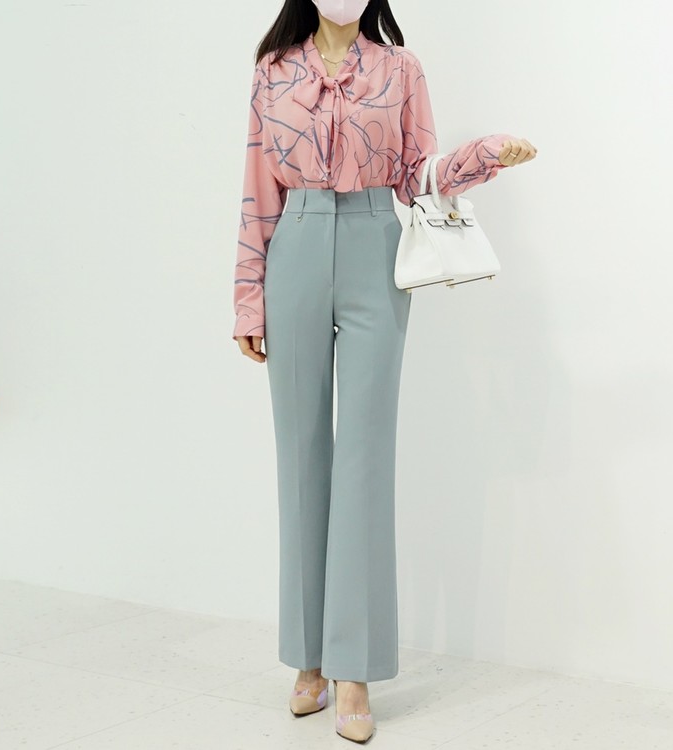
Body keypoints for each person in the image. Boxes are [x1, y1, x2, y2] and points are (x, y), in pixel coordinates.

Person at [232, 0, 537, 742]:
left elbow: (417, 176)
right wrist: (248, 299)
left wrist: (485, 154)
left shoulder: (401, 68)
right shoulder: (273, 69)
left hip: (377, 249)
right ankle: (308, 658)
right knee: (300, 458)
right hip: (294, 248)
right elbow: (256, 189)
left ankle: (355, 668)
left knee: (365, 462)